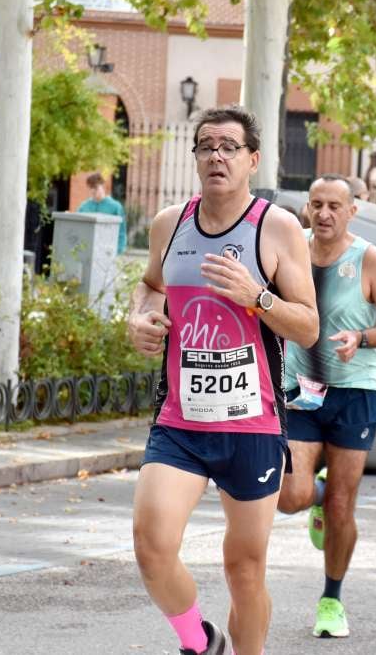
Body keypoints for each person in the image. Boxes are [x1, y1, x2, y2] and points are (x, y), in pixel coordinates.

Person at [127, 105, 318, 655]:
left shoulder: (276, 228)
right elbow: (149, 287)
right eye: (206, 146)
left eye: (229, 147)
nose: (216, 156)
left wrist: (257, 298)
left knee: (244, 569)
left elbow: (307, 327)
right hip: (180, 420)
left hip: (252, 424)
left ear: (252, 159)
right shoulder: (171, 223)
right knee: (152, 546)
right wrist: (139, 318)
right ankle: (200, 640)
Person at [276, 174, 376, 639]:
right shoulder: (290, 248)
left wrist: (363, 337)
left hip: (356, 392)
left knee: (342, 504)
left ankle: (331, 599)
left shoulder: (368, 258)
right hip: (301, 390)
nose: (325, 213)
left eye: (335, 205)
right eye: (317, 204)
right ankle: (313, 491)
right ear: (307, 208)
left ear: (353, 210)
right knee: (290, 495)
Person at [77, 172, 127, 255]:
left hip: (108, 251)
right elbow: (78, 228)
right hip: (87, 251)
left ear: (102, 186)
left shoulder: (115, 207)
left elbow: (121, 231)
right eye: (90, 187)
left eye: (95, 187)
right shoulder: (83, 207)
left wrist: (118, 251)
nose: (93, 190)